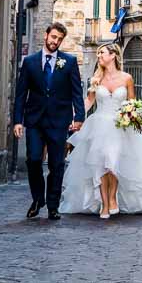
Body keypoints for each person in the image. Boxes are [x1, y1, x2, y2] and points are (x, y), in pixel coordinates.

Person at [60, 43, 142, 218]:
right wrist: (75, 117)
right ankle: (105, 205)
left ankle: (113, 197)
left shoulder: (126, 78)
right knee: (100, 164)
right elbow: (89, 101)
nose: (99, 56)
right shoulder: (96, 78)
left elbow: (132, 102)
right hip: (99, 125)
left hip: (119, 127)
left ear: (113, 55)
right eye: (98, 53)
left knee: (112, 164)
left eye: (102, 53)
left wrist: (131, 115)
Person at [13, 22, 86, 220]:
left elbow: (76, 92)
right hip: (35, 120)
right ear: (46, 36)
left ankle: (53, 205)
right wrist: (17, 121)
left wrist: (79, 117)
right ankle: (38, 199)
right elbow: (21, 94)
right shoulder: (30, 62)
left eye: (59, 39)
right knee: (34, 159)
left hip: (59, 121)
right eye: (53, 37)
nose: (56, 42)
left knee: (57, 163)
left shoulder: (69, 62)